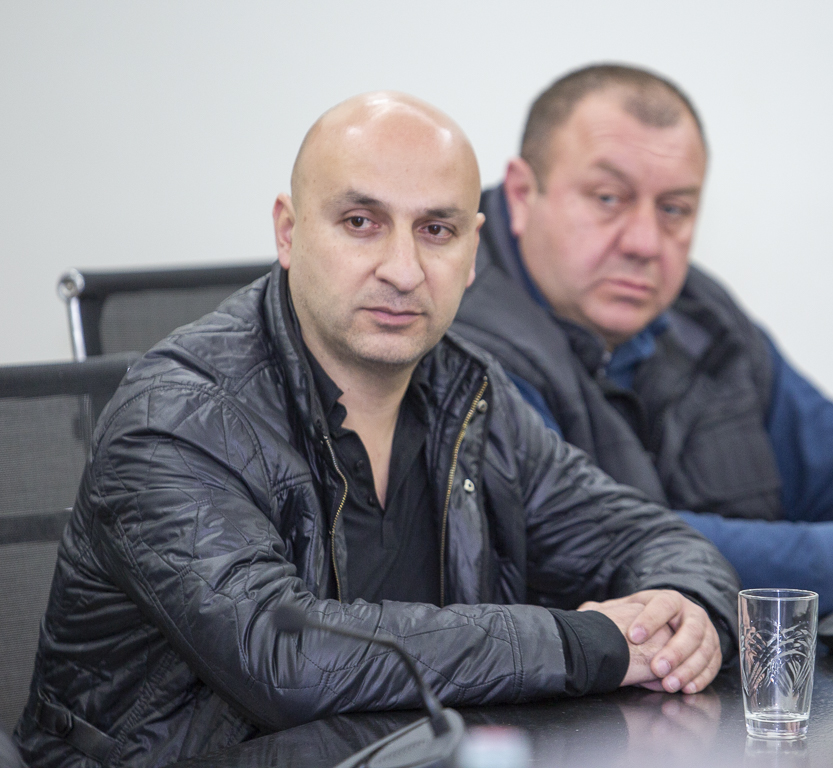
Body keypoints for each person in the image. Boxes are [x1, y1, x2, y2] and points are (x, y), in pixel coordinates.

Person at [15, 92, 738, 768]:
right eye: (361, 222)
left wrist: (685, 614)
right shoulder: (174, 417)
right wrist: (588, 643)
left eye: (436, 230)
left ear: (472, 251)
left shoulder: (471, 392)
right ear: (289, 232)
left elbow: (650, 539)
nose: (403, 270)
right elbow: (287, 661)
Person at [452, 64, 833, 615]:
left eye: (674, 209)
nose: (644, 243)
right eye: (608, 199)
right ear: (522, 194)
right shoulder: (456, 334)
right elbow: (576, 542)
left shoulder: (700, 313)